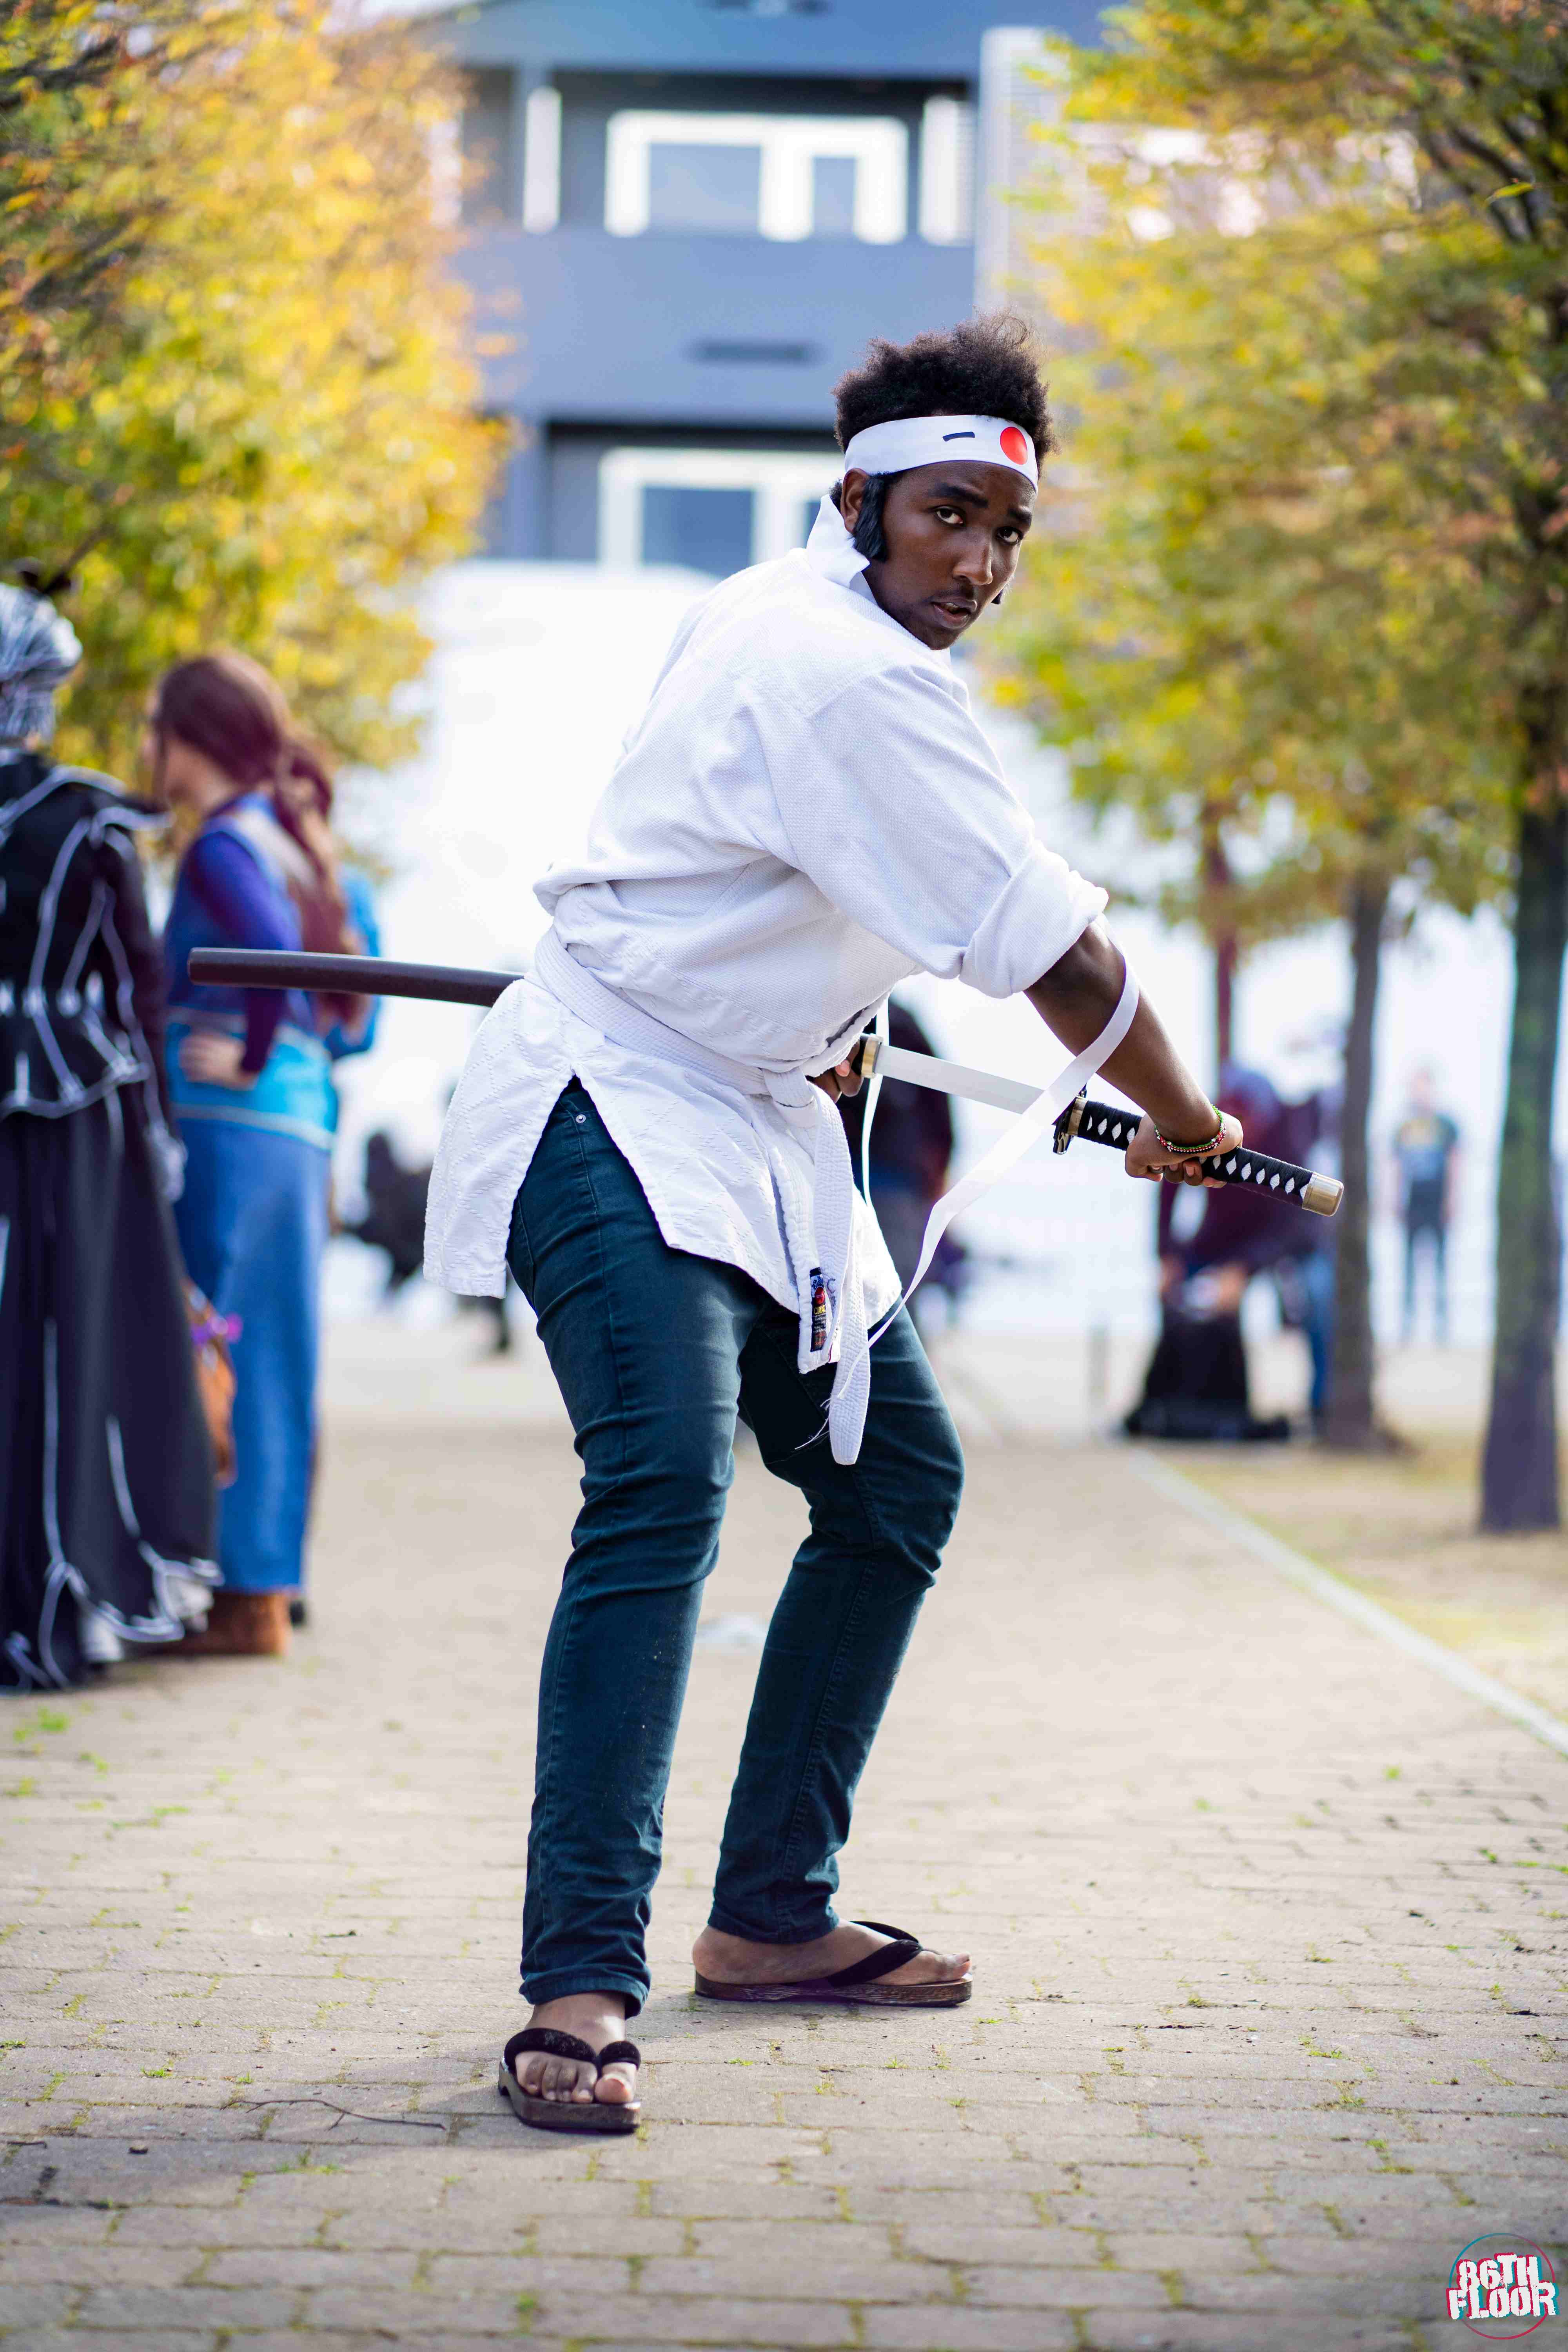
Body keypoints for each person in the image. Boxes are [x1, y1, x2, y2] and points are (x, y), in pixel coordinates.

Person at [425, 316, 1243, 2134]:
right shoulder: (836, 670)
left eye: (1008, 532)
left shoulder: (797, 620)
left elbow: (785, 872)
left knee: (898, 1485)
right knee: (664, 1483)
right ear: (857, 497)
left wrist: (821, 997)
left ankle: (772, 1914)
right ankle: (578, 1981)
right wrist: (1188, 1123)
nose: (979, 561)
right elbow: (1064, 958)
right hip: (612, 1101)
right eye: (948, 514)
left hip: (762, 1116)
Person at [0, 584, 217, 1690]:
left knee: (54, 1342)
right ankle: (54, 1594)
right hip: (73, 1119)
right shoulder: (90, 818)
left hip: (72, 1118)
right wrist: (161, 1136)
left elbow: (137, 987)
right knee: (59, 1343)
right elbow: (138, 989)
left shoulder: (96, 819)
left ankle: (48, 1592)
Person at [152, 653, 367, 1657]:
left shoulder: (224, 849)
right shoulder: (306, 847)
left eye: (156, 725)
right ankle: (261, 1590)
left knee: (204, 1341)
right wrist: (283, 1055)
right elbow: (354, 1019)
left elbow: (272, 950)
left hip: (223, 1135)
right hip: (302, 1136)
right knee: (271, 1350)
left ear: (188, 740)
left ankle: (207, 1582)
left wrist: (242, 1053)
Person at [837, 999, 966, 1331]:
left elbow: (941, 1114)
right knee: (895, 1314)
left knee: (888, 1312)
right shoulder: (900, 1018)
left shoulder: (839, 1012)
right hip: (889, 1185)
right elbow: (942, 1116)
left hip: (888, 1185)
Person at [1392, 1067, 1460, 1344]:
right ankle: (1407, 1326)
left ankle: (1441, 1327)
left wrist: (1453, 1199)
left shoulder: (1446, 1125)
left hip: (1437, 1203)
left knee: (1441, 1266)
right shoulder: (1404, 1127)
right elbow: (1395, 1165)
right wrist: (1394, 1199)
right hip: (1412, 1203)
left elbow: (1457, 1162)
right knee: (1408, 1267)